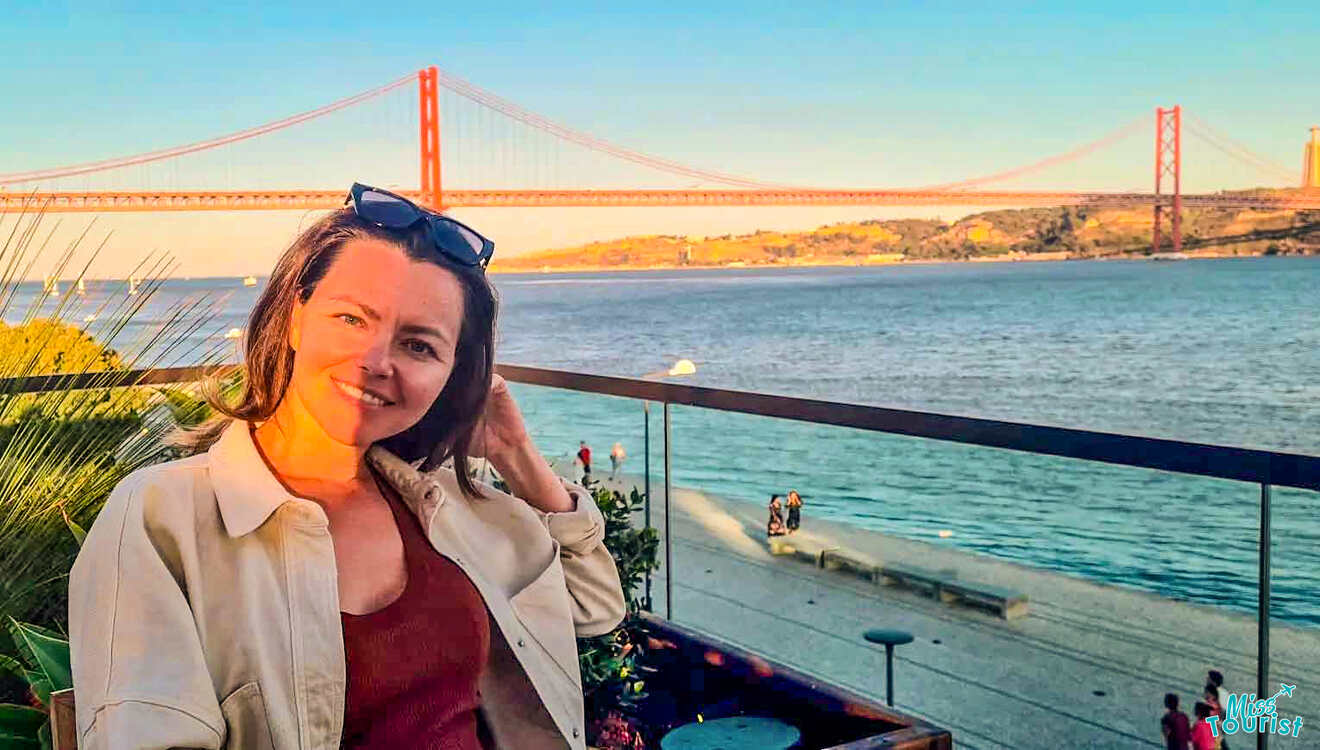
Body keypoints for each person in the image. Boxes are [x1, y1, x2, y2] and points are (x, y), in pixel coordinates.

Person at [67, 183, 627, 749]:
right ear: (293, 319)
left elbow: (593, 606)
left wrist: (515, 455)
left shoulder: (440, 506)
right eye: (353, 319)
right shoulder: (165, 516)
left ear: (453, 376)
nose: (374, 362)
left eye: (419, 346)